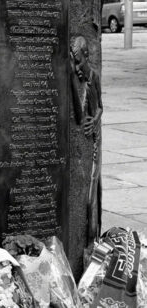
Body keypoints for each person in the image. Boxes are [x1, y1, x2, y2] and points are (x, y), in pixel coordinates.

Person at [69, 35, 103, 248]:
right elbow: (79, 115)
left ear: (86, 56)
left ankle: (92, 238)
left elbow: (100, 106)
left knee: (92, 186)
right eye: (73, 59)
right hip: (84, 129)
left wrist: (95, 121)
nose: (76, 63)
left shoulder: (94, 76)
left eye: (78, 59)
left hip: (94, 137)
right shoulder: (77, 75)